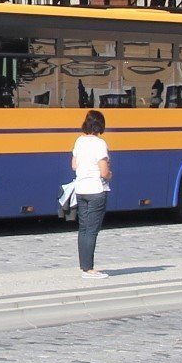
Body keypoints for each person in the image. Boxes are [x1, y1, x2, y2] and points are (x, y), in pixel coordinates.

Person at [70, 109, 112, 280]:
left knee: (84, 229)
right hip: (96, 190)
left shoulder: (79, 141)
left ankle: (84, 266)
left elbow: (74, 165)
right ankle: (89, 270)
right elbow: (103, 172)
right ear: (100, 126)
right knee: (92, 231)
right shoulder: (99, 144)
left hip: (81, 189)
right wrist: (110, 175)